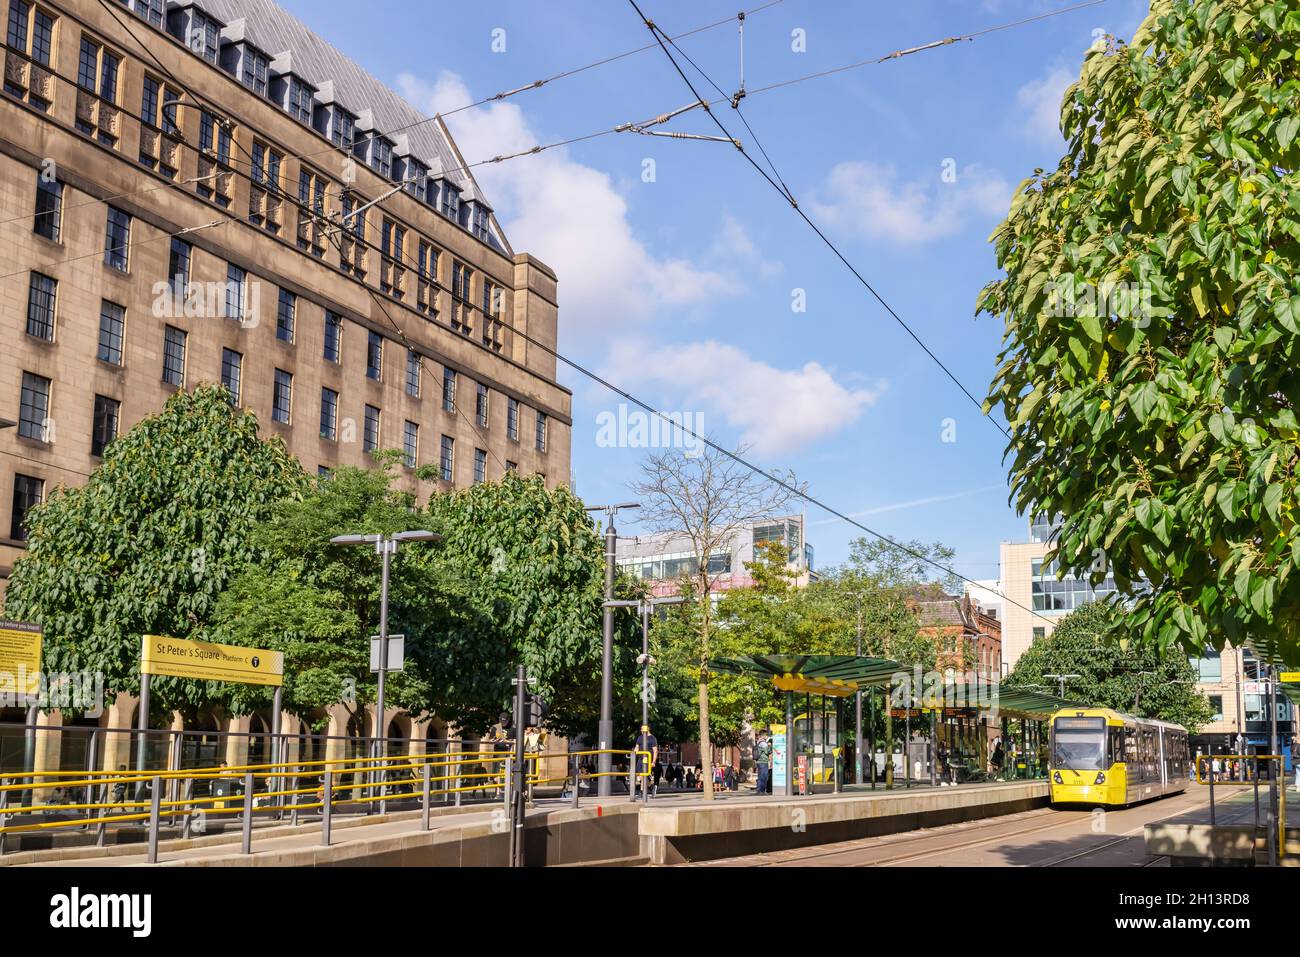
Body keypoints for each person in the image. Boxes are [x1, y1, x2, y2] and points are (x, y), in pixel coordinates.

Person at [634, 725, 658, 797]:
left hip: (648, 759)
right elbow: (637, 747)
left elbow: (655, 751)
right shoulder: (640, 738)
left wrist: (653, 761)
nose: (641, 731)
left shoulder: (652, 738)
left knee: (644, 776)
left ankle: (641, 793)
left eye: (642, 729)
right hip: (640, 759)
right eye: (641, 729)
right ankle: (651, 786)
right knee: (640, 777)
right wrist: (633, 754)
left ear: (647, 729)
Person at [755, 730, 772, 795]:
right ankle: (762, 791)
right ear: (764, 735)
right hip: (763, 762)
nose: (767, 736)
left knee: (760, 776)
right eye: (766, 735)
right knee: (764, 776)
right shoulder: (764, 743)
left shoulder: (758, 741)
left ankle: (759, 790)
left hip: (759, 761)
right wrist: (769, 746)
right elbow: (767, 752)